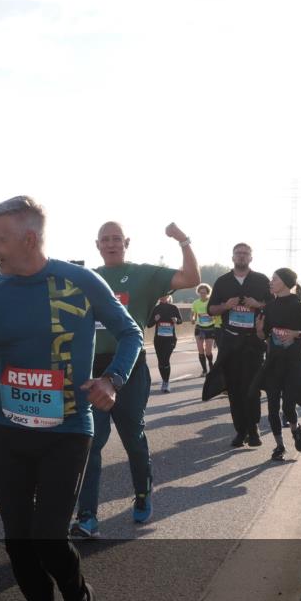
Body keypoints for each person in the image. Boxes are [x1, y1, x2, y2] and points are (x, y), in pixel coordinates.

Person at [0, 196, 143, 601]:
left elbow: (131, 334)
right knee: (17, 542)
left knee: (48, 537)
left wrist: (112, 380)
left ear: (29, 238)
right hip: (10, 431)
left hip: (67, 429)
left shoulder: (79, 282)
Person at [72, 221, 199, 537]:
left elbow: (191, 278)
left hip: (128, 368)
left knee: (133, 437)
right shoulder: (86, 279)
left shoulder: (145, 274)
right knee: (90, 442)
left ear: (126, 242)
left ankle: (142, 492)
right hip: (92, 369)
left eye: (117, 239)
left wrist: (183, 240)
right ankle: (87, 516)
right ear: (97, 244)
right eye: (106, 239)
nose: (112, 243)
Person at [203, 243, 270, 449]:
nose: (241, 256)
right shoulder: (223, 281)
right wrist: (226, 306)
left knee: (251, 387)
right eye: (238, 253)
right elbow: (211, 309)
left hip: (253, 341)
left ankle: (253, 429)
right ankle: (240, 431)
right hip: (230, 341)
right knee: (233, 389)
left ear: (251, 258)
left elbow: (274, 305)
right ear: (232, 257)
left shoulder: (261, 280)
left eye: (245, 254)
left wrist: (257, 305)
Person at [254, 268, 301, 460]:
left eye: (274, 279)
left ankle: (296, 429)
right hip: (273, 362)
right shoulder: (269, 306)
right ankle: (279, 447)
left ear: (283, 282)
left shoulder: (299, 304)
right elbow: (264, 336)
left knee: (289, 406)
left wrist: (295, 334)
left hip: (294, 362)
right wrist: (259, 330)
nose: (271, 282)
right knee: (272, 406)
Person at [149, 295, 182, 392]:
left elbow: (180, 321)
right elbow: (149, 324)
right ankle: (164, 380)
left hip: (170, 339)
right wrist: (155, 319)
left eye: (165, 295)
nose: (163, 297)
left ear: (168, 297)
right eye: (161, 295)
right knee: (160, 361)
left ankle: (166, 383)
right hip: (158, 339)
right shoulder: (155, 309)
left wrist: (176, 320)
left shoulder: (173, 308)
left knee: (165, 359)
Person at [190, 283, 221, 375]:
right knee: (200, 350)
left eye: (204, 292)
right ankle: (204, 370)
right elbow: (193, 314)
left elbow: (217, 313)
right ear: (198, 293)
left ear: (208, 293)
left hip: (210, 328)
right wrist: (192, 319)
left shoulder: (211, 302)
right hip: (199, 328)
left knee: (208, 351)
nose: (202, 294)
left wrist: (213, 317)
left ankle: (211, 365)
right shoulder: (195, 303)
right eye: (200, 292)